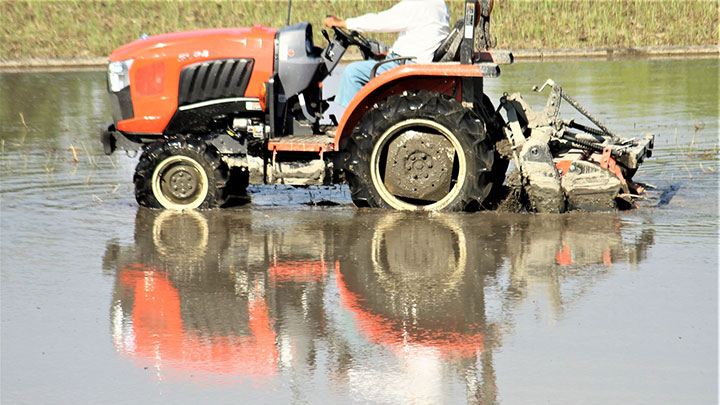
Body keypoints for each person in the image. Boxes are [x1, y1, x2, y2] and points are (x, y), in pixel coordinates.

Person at [324, 0, 450, 107]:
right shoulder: (438, 4)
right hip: (416, 59)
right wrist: (390, 53)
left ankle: (351, 127)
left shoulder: (417, 4)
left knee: (352, 72)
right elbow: (422, 35)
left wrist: (343, 23)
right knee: (370, 60)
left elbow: (380, 22)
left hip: (407, 65)